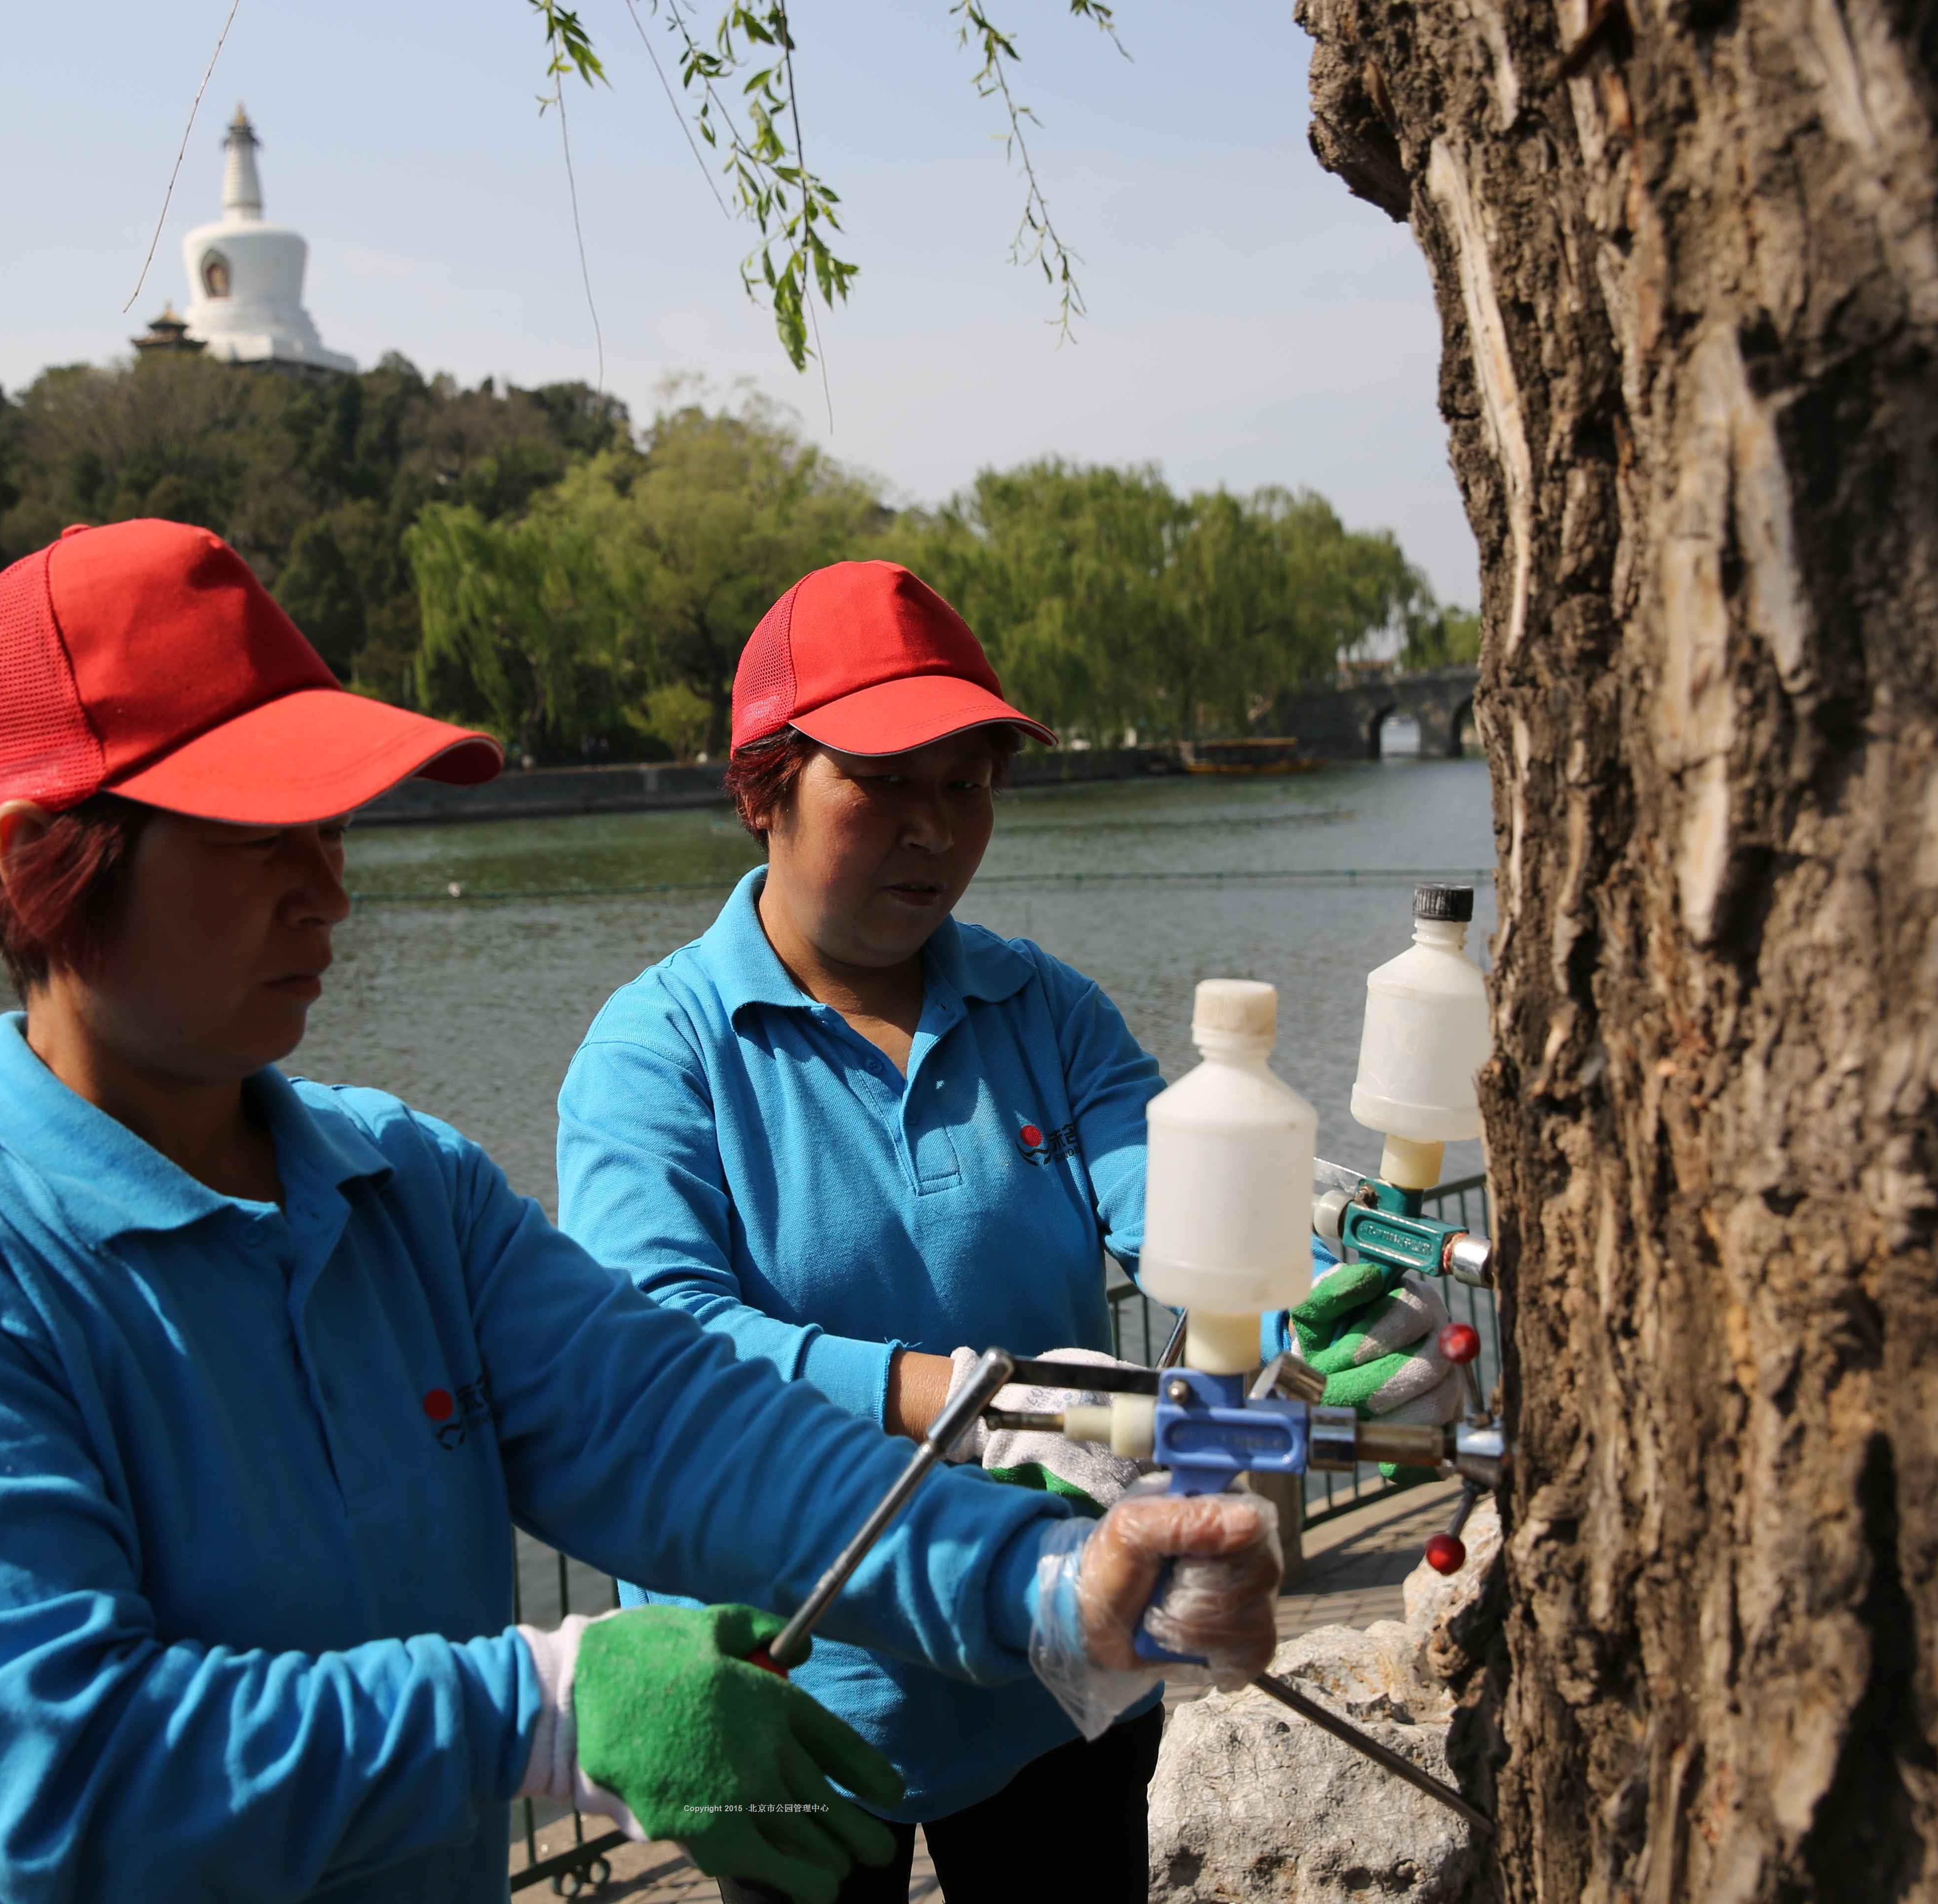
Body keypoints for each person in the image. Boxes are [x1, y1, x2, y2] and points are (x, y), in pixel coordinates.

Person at [0, 522, 1283, 1904]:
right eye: (256, 839)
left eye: (331, 829)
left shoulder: (400, 1190)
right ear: (42, 861)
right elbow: (60, 1780)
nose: (327, 892)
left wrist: (1038, 1582)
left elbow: (677, 1424)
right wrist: (541, 1708)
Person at [554, 562, 1461, 1901]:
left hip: (1055, 1642)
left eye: (967, 783)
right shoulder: (657, 1053)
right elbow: (663, 1342)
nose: (934, 829)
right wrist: (978, 1400)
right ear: (762, 790)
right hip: (792, 1679)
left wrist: (1316, 1305)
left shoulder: (1044, 1009)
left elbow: (1182, 1204)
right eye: (883, 784)